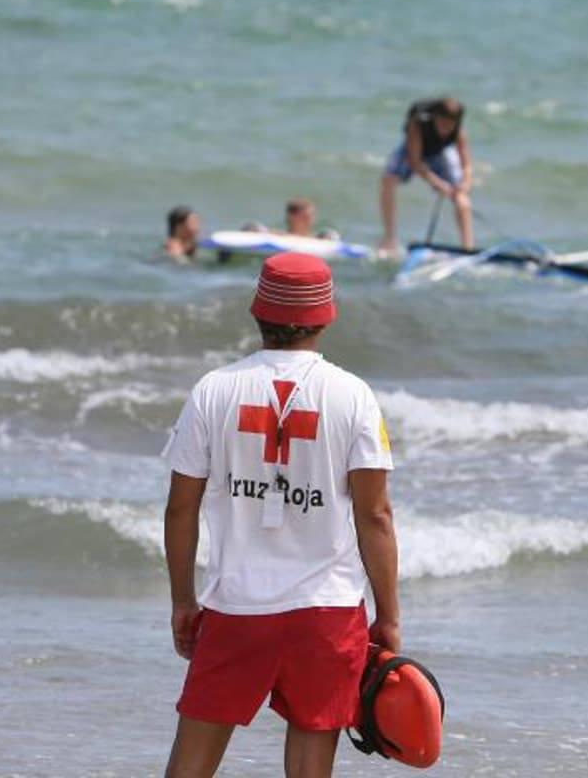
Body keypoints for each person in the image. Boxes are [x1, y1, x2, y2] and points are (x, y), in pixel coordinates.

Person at [162, 252, 401, 777]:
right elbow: (375, 515)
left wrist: (183, 600)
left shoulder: (213, 390)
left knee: (190, 767)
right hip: (327, 609)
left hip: (236, 606)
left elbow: (181, 507)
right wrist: (388, 614)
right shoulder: (353, 396)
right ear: (325, 316)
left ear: (257, 313)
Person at [378, 97, 474, 255]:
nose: (446, 128)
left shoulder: (458, 131)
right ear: (435, 117)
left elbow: (467, 165)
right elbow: (415, 163)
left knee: (461, 197)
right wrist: (439, 184)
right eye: (442, 123)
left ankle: (468, 248)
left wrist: (465, 183)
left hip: (438, 153)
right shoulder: (417, 125)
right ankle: (389, 239)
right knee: (388, 180)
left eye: (450, 125)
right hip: (412, 152)